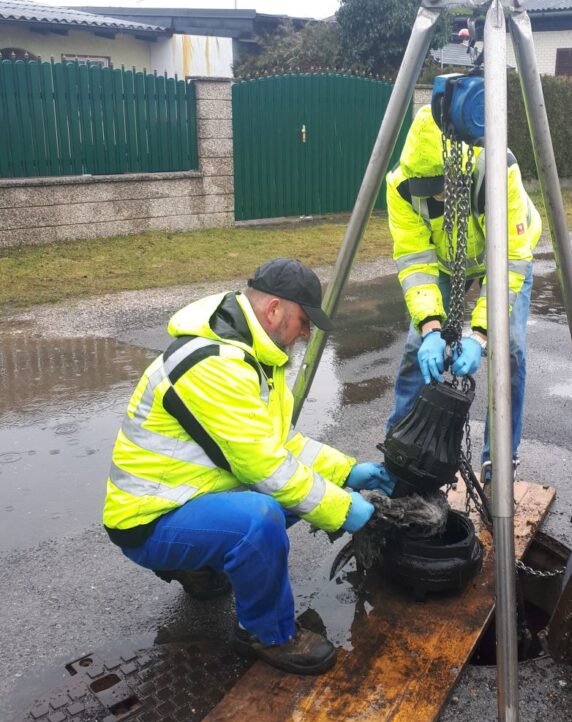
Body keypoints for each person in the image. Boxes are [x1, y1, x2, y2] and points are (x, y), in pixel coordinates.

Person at [103, 258, 394, 676]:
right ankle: (267, 632)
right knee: (260, 517)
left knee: (298, 495)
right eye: (303, 320)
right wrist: (346, 511)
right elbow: (269, 468)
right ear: (274, 310)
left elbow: (281, 443)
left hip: (188, 497)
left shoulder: (252, 356)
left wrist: (346, 472)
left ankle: (198, 564)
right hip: (147, 519)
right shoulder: (216, 365)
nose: (307, 333)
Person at [386, 105, 542, 472]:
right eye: (429, 193)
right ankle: (400, 451)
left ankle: (499, 458)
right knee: (415, 350)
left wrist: (481, 335)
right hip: (444, 261)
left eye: (442, 191)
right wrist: (430, 328)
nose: (436, 200)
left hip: (504, 256)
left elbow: (510, 259)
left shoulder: (496, 170)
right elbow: (414, 260)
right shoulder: (400, 186)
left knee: (511, 351)